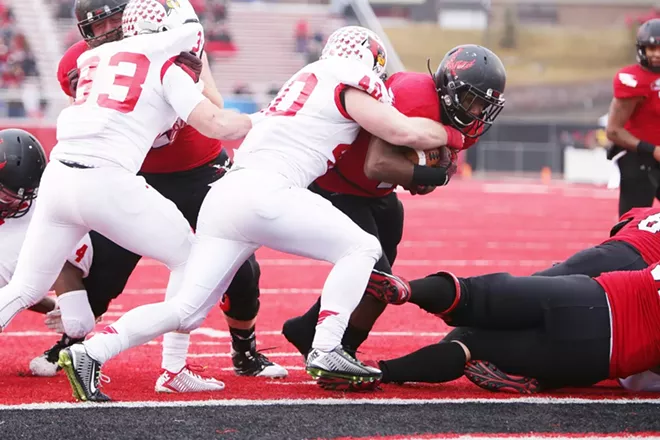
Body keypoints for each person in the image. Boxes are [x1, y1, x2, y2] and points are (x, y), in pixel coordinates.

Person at [60, 25, 466, 401]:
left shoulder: (303, 79)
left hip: (227, 193)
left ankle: (92, 351)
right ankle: (326, 349)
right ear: (370, 62)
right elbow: (403, 132)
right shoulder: (348, 76)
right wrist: (453, 135)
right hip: (267, 190)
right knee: (362, 248)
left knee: (186, 309)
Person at [0, 0, 251, 399]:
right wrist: (268, 121)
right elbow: (216, 122)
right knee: (193, 263)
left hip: (60, 178)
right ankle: (162, 367)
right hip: (108, 182)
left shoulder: (94, 58)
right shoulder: (168, 62)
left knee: (27, 286)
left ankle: (117, 353)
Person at [283, 44, 506, 359]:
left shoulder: (463, 124)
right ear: (451, 91)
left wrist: (429, 173)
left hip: (378, 194)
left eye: (483, 106)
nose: (477, 113)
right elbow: (375, 164)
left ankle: (307, 331)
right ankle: (340, 352)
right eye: (472, 101)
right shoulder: (414, 95)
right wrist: (436, 175)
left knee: (371, 276)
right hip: (340, 185)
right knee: (381, 286)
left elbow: (416, 185)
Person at [371, 264, 660, 393]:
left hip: (589, 292)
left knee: (471, 295)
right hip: (601, 348)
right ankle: (379, 372)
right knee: (472, 346)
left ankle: (406, 288)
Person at [606, 18, 660, 216]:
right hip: (638, 158)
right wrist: (652, 150)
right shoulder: (632, 79)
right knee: (632, 223)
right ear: (641, 49)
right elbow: (613, 131)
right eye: (651, 48)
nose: (656, 54)